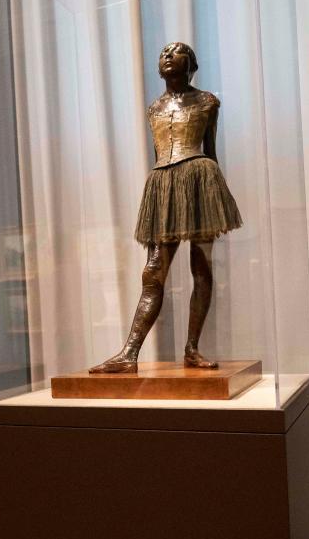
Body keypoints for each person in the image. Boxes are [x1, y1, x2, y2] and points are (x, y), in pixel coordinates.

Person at [90, 42, 242, 373]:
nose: (168, 56)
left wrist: (215, 197)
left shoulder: (207, 101)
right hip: (163, 183)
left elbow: (210, 150)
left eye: (176, 51)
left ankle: (192, 349)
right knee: (153, 271)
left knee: (201, 266)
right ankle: (129, 352)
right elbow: (160, 152)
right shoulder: (154, 108)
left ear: (191, 64)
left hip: (199, 179)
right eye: (163, 53)